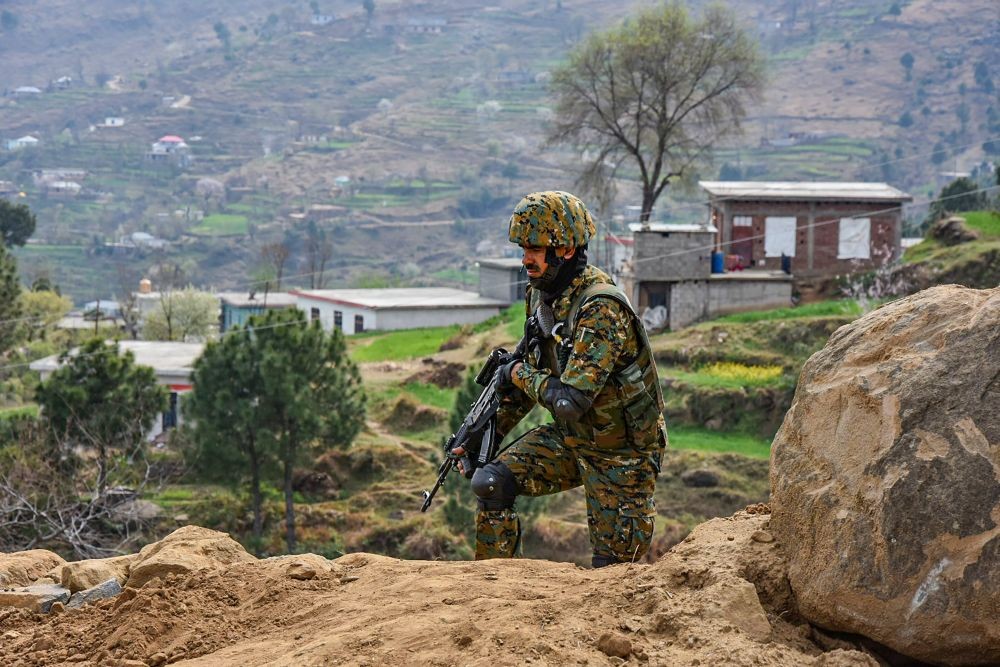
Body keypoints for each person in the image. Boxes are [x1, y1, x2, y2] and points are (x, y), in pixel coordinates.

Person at [456, 191, 668, 568]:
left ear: (566, 249)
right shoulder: (542, 297)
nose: (525, 259)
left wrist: (518, 373)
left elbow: (570, 400)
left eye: (535, 248)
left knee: (614, 576)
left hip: (622, 455)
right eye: (523, 248)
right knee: (490, 482)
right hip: (574, 439)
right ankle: (492, 588)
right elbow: (528, 374)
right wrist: (483, 437)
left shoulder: (600, 307)